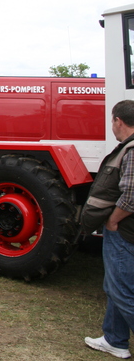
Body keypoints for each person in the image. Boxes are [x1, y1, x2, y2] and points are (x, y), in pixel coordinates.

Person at [83, 100, 134, 359]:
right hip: (125, 231)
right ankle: (115, 340)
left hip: (125, 231)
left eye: (112, 121)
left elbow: (132, 197)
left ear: (118, 121)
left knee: (122, 290)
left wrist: (113, 220)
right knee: (115, 284)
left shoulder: (132, 150)